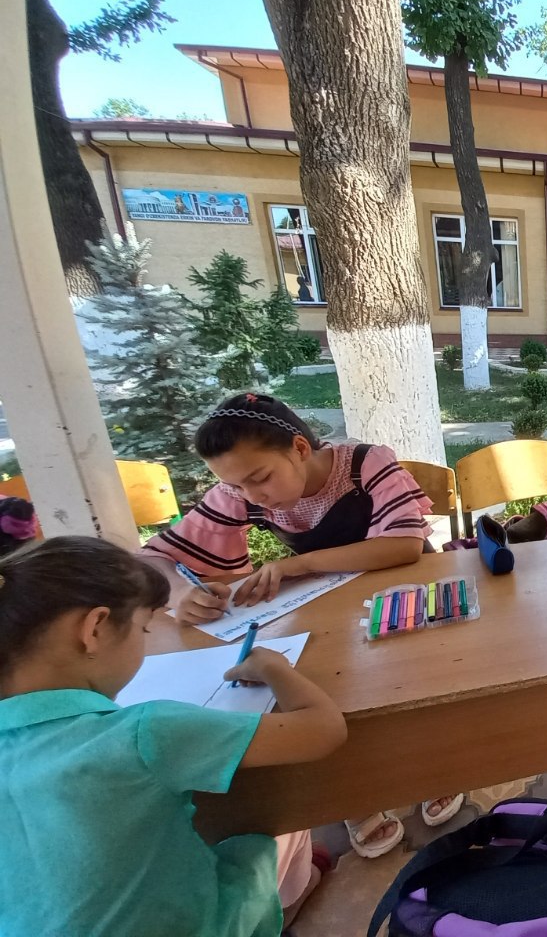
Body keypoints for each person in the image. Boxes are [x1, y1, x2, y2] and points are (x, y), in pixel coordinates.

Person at [140, 391, 462, 857]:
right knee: (332, 685)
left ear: (299, 447)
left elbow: (403, 545)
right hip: (334, 604)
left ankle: (440, 767)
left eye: (260, 478)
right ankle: (353, 793)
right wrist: (180, 592)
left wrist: (298, 564)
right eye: (237, 486)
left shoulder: (365, 465)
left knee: (420, 681)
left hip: (406, 593)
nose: (252, 496)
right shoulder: (240, 492)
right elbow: (153, 558)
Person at [0, 536, 347, 936]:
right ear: (95, 629)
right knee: (276, 811)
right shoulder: (144, 731)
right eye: (144, 629)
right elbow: (324, 729)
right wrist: (275, 668)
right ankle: (293, 897)